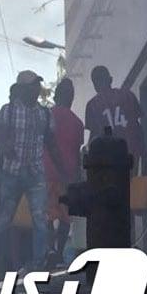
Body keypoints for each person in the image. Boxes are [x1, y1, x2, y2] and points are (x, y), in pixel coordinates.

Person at [0, 70, 66, 272]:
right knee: (5, 218)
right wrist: (4, 145)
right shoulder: (9, 111)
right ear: (23, 89)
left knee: (40, 219)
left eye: (37, 85)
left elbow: (51, 144)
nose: (36, 89)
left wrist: (63, 170)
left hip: (35, 173)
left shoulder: (44, 113)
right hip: (11, 173)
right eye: (32, 85)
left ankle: (38, 263)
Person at [45, 78, 84, 265]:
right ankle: (58, 251)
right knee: (64, 217)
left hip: (45, 173)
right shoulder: (77, 123)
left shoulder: (46, 115)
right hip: (66, 176)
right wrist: (75, 177)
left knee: (48, 214)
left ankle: (51, 250)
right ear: (71, 98)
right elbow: (76, 153)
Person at [85, 66, 147, 173]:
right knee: (130, 185)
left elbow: (94, 136)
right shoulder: (128, 95)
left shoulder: (92, 105)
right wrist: (145, 157)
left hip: (108, 158)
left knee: (113, 188)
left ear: (94, 84)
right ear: (110, 79)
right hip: (130, 153)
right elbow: (139, 128)